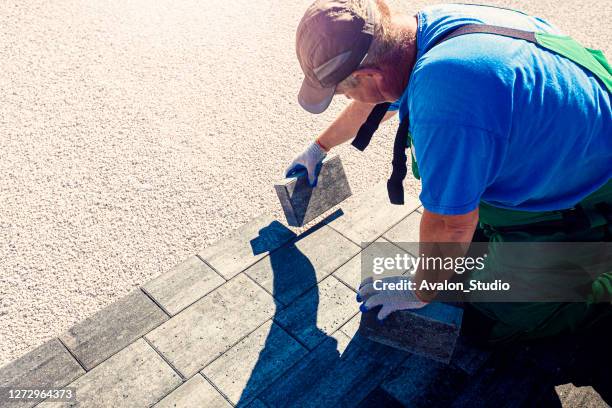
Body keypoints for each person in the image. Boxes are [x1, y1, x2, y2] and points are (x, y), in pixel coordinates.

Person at [286, 0, 612, 343]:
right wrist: (319, 148)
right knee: (461, 258)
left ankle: (596, 277)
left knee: (498, 306)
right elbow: (375, 100)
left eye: (343, 90)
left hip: (592, 184)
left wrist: (419, 290)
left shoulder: (447, 97)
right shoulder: (415, 36)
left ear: (370, 75)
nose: (347, 97)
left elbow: (451, 225)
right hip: (571, 142)